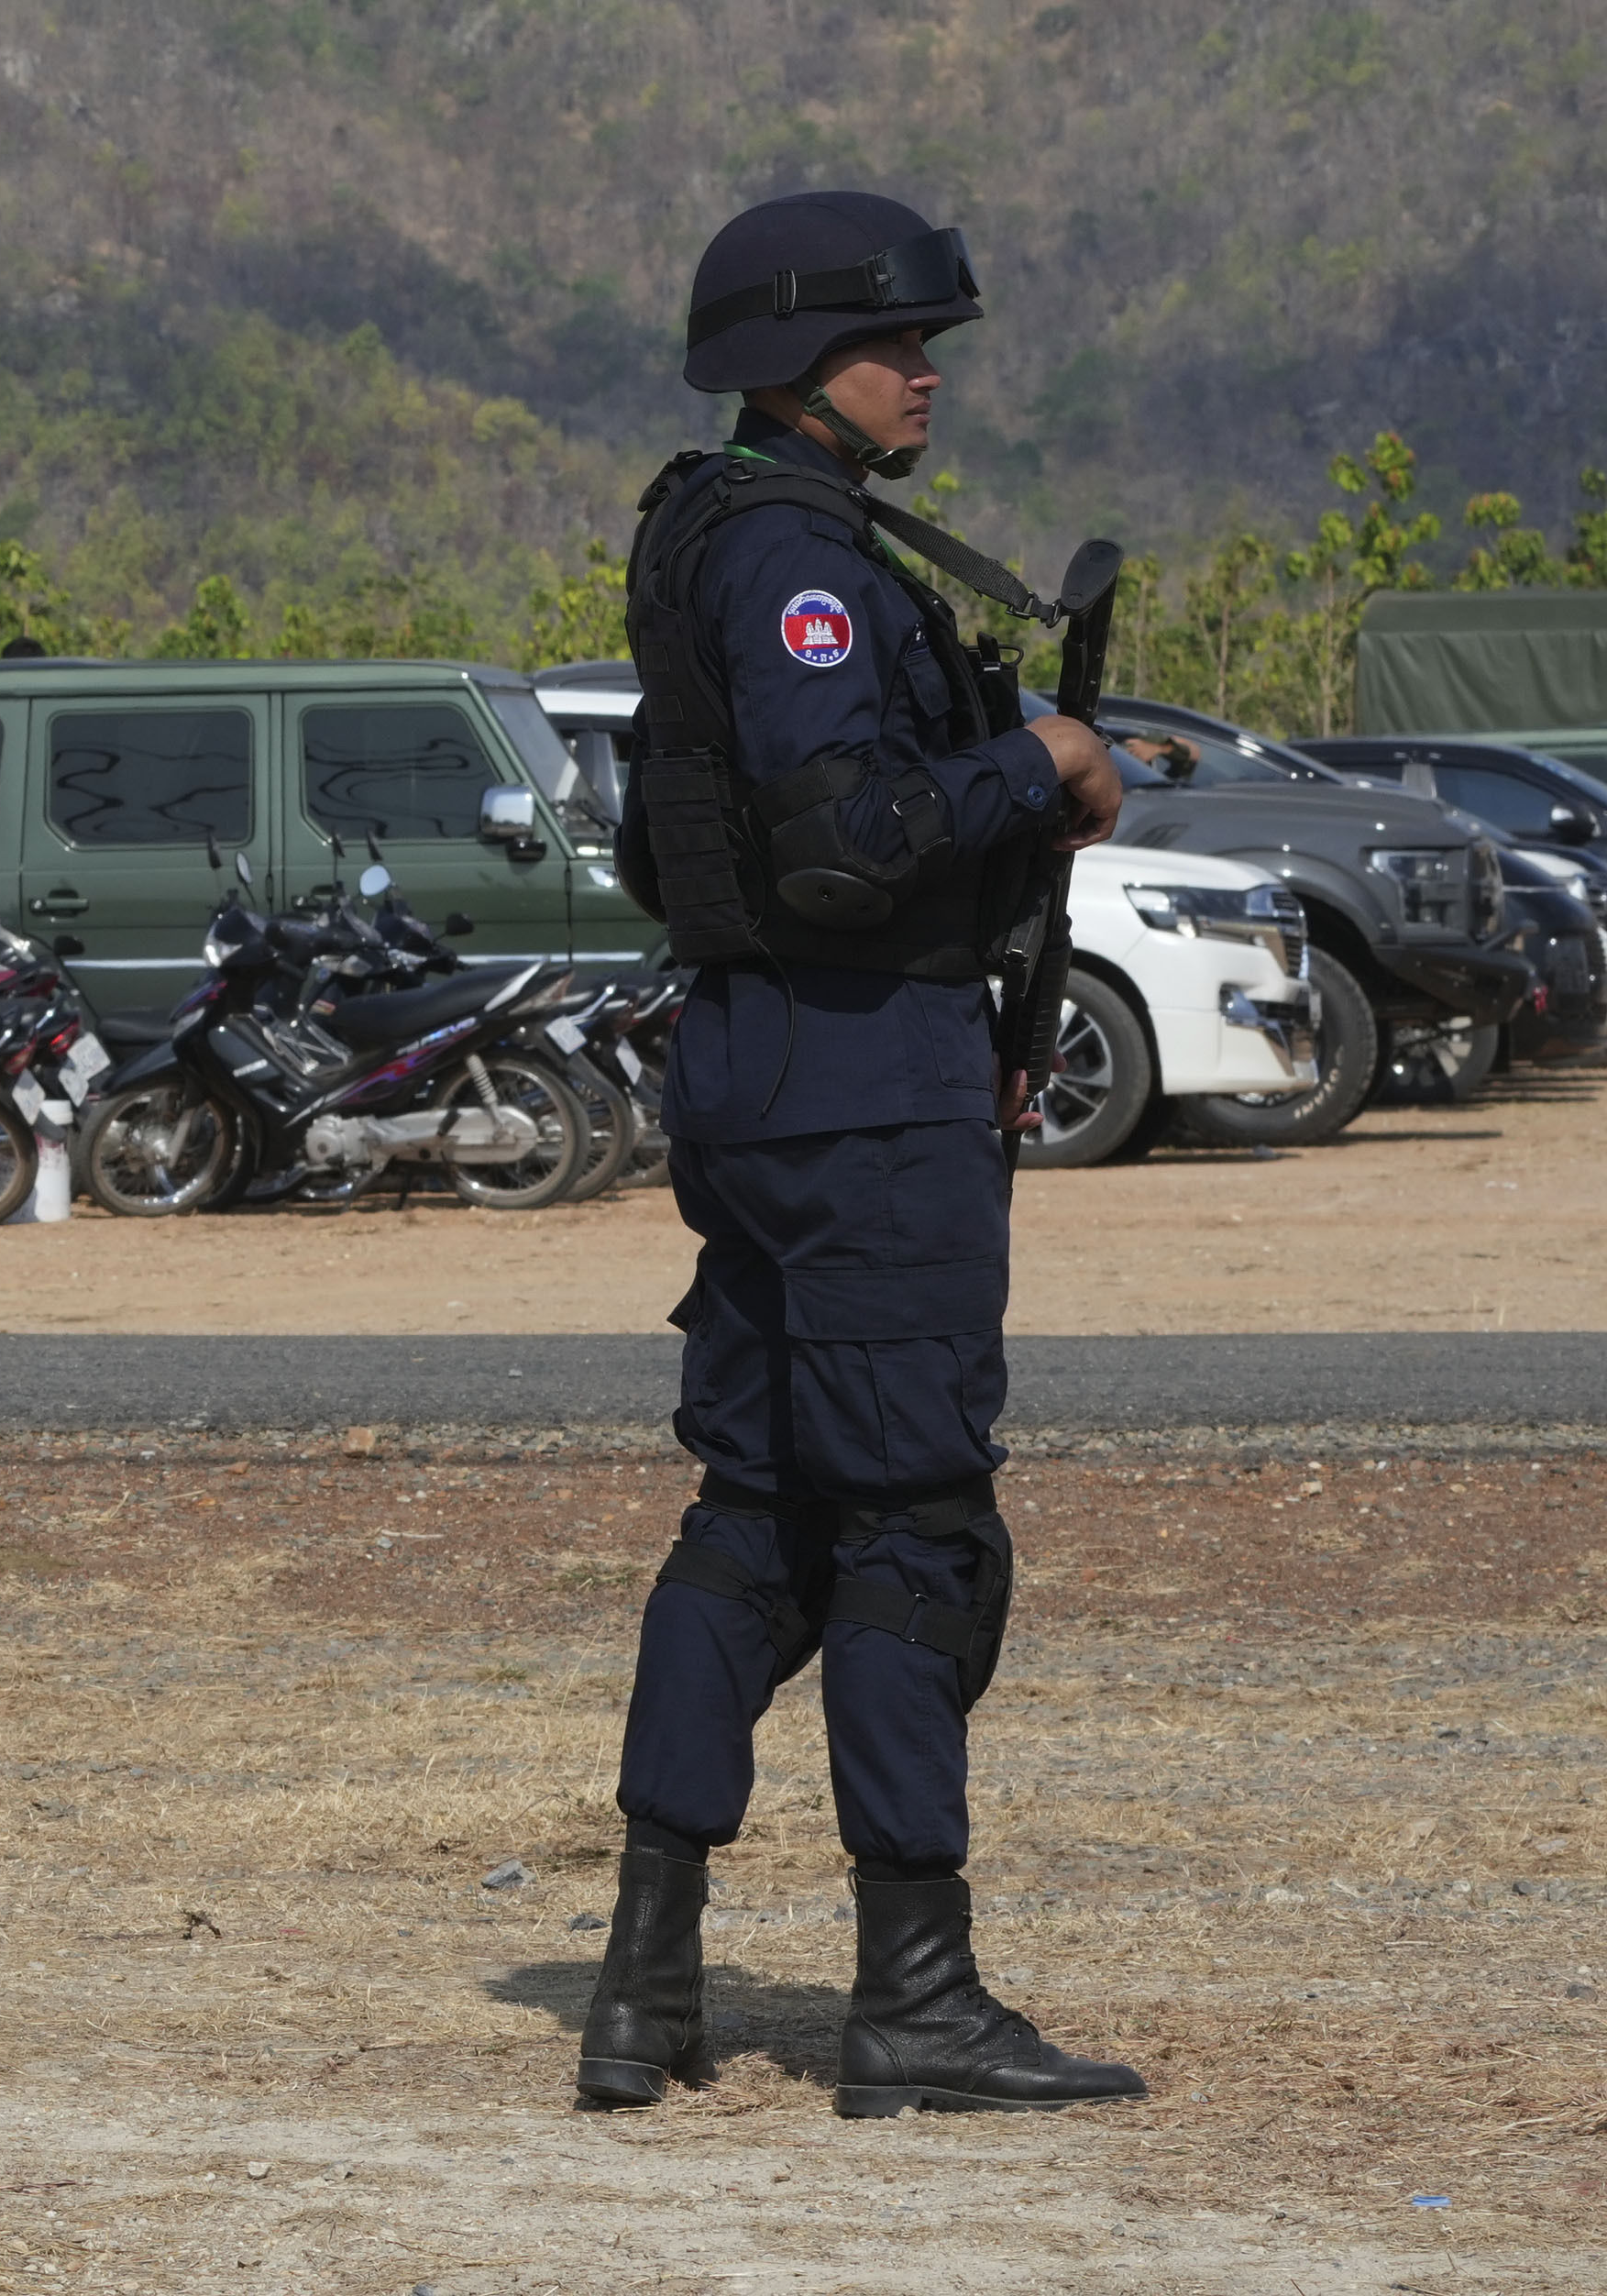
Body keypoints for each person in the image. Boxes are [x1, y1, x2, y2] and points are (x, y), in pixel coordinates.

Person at [571, 189, 1147, 2121]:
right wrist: (1042, 767)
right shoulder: (796, 562)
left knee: (756, 1519)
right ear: (790, 364)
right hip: (855, 1077)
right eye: (900, 344)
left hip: (765, 1064)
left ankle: (645, 1986)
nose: (927, 373)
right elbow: (838, 840)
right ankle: (916, 1999)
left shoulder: (721, 532)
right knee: (911, 1534)